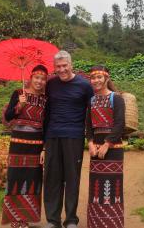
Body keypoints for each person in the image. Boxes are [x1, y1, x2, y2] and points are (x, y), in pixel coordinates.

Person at [43, 50, 94, 228]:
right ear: (54, 68)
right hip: (52, 136)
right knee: (52, 179)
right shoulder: (50, 84)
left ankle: (71, 219)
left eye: (65, 65)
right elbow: (46, 112)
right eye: (58, 67)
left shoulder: (85, 85)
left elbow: (94, 111)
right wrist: (43, 142)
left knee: (72, 178)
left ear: (71, 64)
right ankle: (53, 219)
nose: (62, 69)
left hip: (74, 136)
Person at [1, 65, 48, 228]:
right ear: (31, 78)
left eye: (43, 79)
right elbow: (7, 117)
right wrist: (18, 107)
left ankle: (25, 218)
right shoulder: (18, 93)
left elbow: (47, 125)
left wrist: (44, 148)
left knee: (32, 179)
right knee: (16, 177)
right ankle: (15, 219)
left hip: (36, 145)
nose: (39, 81)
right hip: (18, 144)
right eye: (37, 78)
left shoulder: (46, 99)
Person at [85, 65, 125, 228]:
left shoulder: (117, 98)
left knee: (112, 186)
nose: (96, 80)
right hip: (96, 150)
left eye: (99, 77)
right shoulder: (91, 101)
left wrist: (107, 144)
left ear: (106, 78)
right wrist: (91, 144)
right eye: (93, 77)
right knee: (96, 186)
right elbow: (88, 126)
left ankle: (112, 224)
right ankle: (95, 224)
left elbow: (119, 124)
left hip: (113, 149)